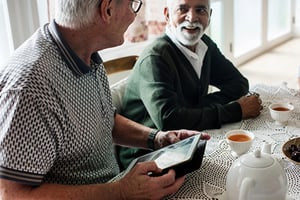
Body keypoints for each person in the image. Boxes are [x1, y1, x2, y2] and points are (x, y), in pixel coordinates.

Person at [0, 0, 211, 199]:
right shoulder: (29, 89)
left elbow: (103, 119)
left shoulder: (84, 52)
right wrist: (119, 192)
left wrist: (158, 139)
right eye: (132, 4)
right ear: (108, 10)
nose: (133, 16)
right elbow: (12, 195)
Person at [118, 0, 263, 169]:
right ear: (167, 14)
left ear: (209, 16)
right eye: (183, 9)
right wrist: (236, 110)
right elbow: (169, 121)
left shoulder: (204, 44)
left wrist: (191, 110)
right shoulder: (156, 58)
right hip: (144, 157)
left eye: (200, 10)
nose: (192, 17)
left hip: (185, 143)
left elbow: (239, 84)